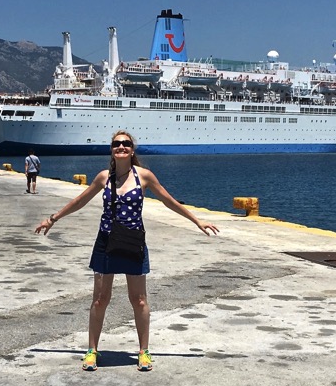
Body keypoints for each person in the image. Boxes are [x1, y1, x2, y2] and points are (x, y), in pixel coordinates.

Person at [34, 129, 219, 372]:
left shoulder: (144, 177)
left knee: (139, 299)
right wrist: (53, 218)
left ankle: (144, 352)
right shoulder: (103, 178)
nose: (121, 147)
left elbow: (169, 201)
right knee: (100, 300)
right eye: (116, 144)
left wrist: (197, 221)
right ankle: (91, 351)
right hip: (106, 243)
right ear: (112, 150)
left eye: (126, 144)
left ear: (132, 150)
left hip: (133, 243)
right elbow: (80, 201)